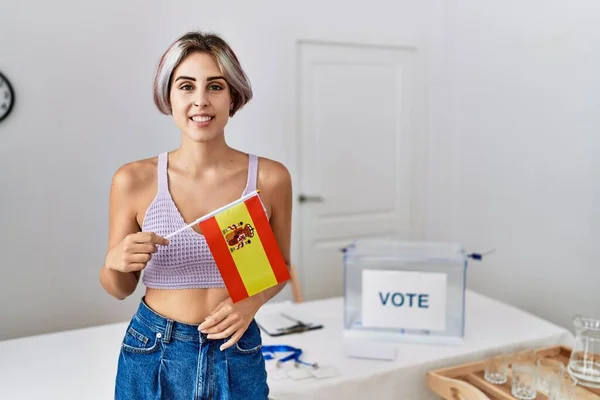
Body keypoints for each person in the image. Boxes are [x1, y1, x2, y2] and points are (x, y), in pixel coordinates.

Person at [99, 31, 292, 400]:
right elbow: (119, 288)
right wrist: (115, 262)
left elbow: (280, 264)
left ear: (233, 96)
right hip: (154, 350)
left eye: (215, 87)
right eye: (186, 86)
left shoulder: (270, 178)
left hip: (237, 349)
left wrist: (250, 301)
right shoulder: (133, 180)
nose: (200, 101)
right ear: (168, 97)